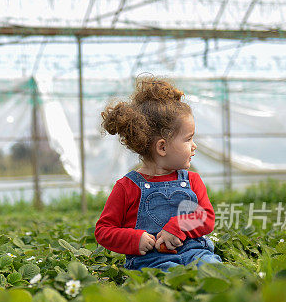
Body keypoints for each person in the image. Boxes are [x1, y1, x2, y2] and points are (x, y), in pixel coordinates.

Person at [94, 76, 222, 272]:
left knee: (212, 268)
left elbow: (206, 218)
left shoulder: (192, 180)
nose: (194, 146)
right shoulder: (127, 187)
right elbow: (103, 231)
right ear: (162, 147)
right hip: (151, 261)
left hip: (196, 252)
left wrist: (178, 226)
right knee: (165, 278)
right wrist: (133, 239)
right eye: (188, 139)